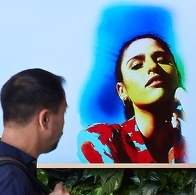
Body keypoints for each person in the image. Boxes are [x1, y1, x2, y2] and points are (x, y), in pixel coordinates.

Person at [78, 34, 188, 164]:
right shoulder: (104, 140)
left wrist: (187, 102)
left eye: (162, 60)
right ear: (122, 91)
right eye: (137, 65)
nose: (153, 66)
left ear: (178, 77)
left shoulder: (193, 146)